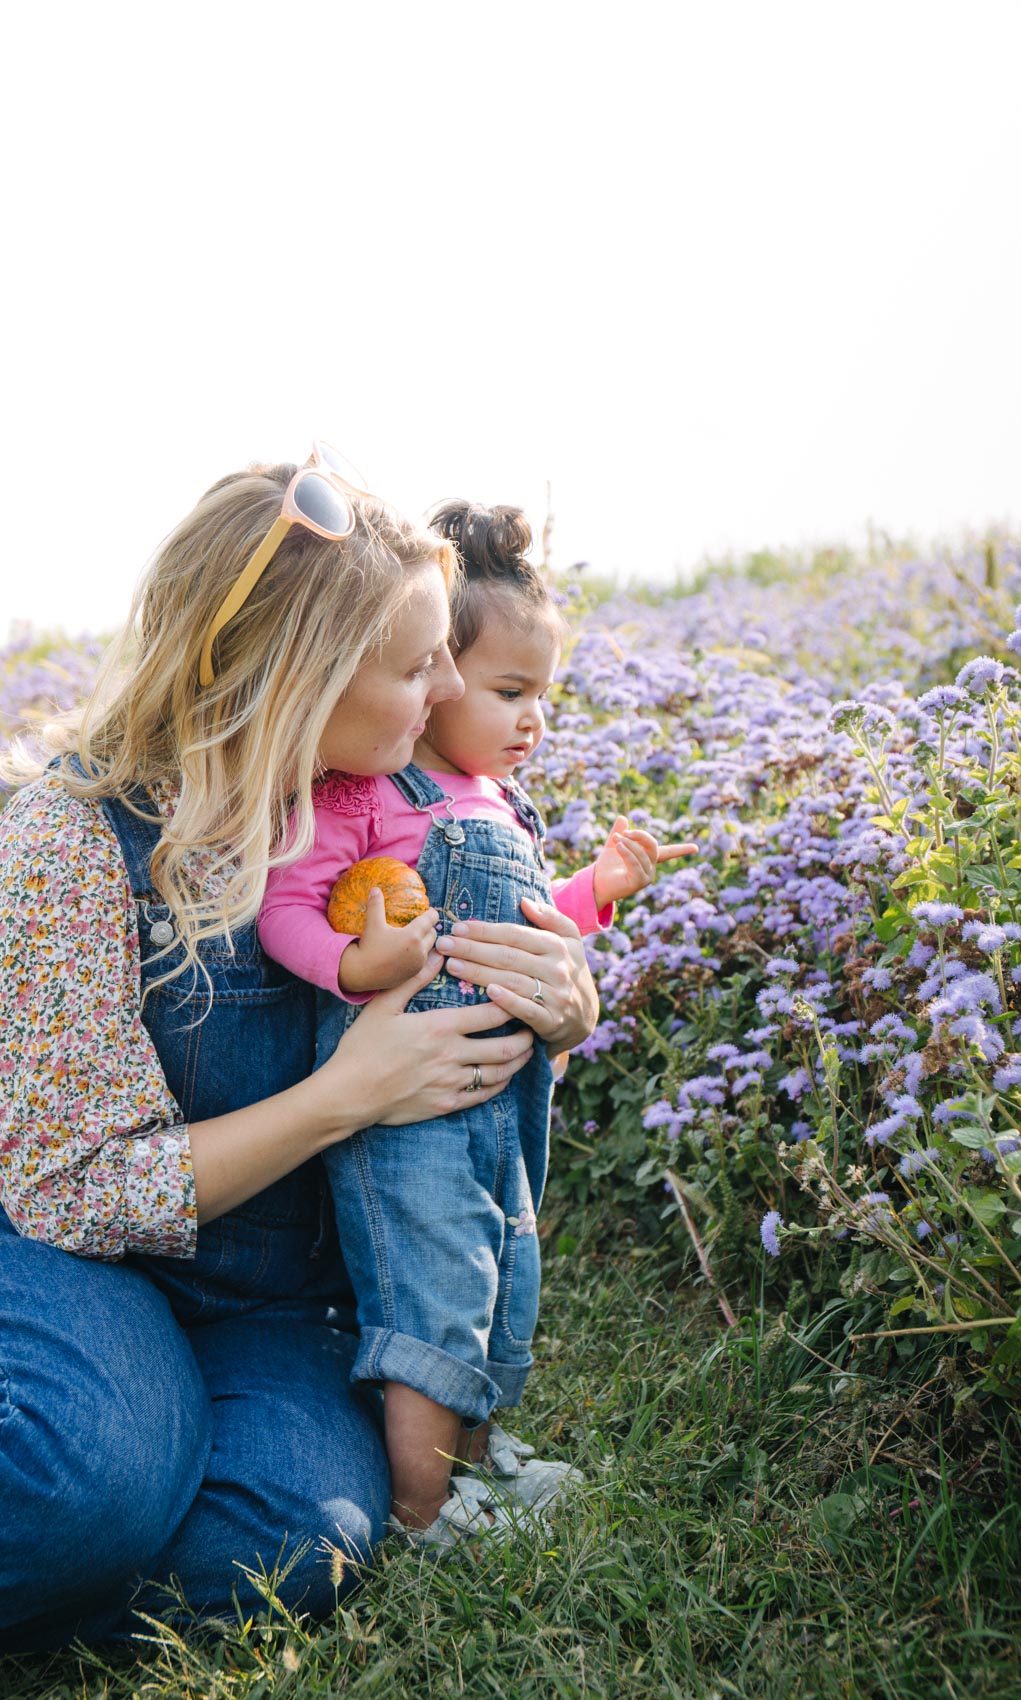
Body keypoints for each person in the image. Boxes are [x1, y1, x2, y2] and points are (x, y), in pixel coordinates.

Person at [0, 452, 601, 1666]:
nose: (443, 690)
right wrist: (339, 1095)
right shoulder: (70, 836)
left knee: (297, 1538)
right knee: (86, 1479)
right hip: (63, 1251)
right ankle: (60, 1504)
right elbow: (69, 1185)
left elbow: (446, 1106)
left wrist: (552, 1009)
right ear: (297, 676)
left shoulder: (405, 818)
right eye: (413, 662)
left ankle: (26, 1557)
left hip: (273, 1297)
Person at [258, 501, 697, 1542]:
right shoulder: (369, 791)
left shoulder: (502, 805)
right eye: (508, 691)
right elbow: (287, 905)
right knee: (430, 1283)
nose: (527, 717)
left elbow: (537, 926)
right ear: (429, 676)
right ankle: (420, 1510)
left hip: (503, 1094)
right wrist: (352, 960)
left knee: (501, 1270)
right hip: (404, 1096)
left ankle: (472, 1456)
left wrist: (600, 888)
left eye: (540, 695)